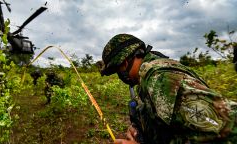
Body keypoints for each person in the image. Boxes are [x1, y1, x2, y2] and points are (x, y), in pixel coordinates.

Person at [100, 34, 237, 144]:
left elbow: (228, 130)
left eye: (117, 70)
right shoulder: (149, 77)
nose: (120, 76)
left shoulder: (160, 79)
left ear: (124, 63)